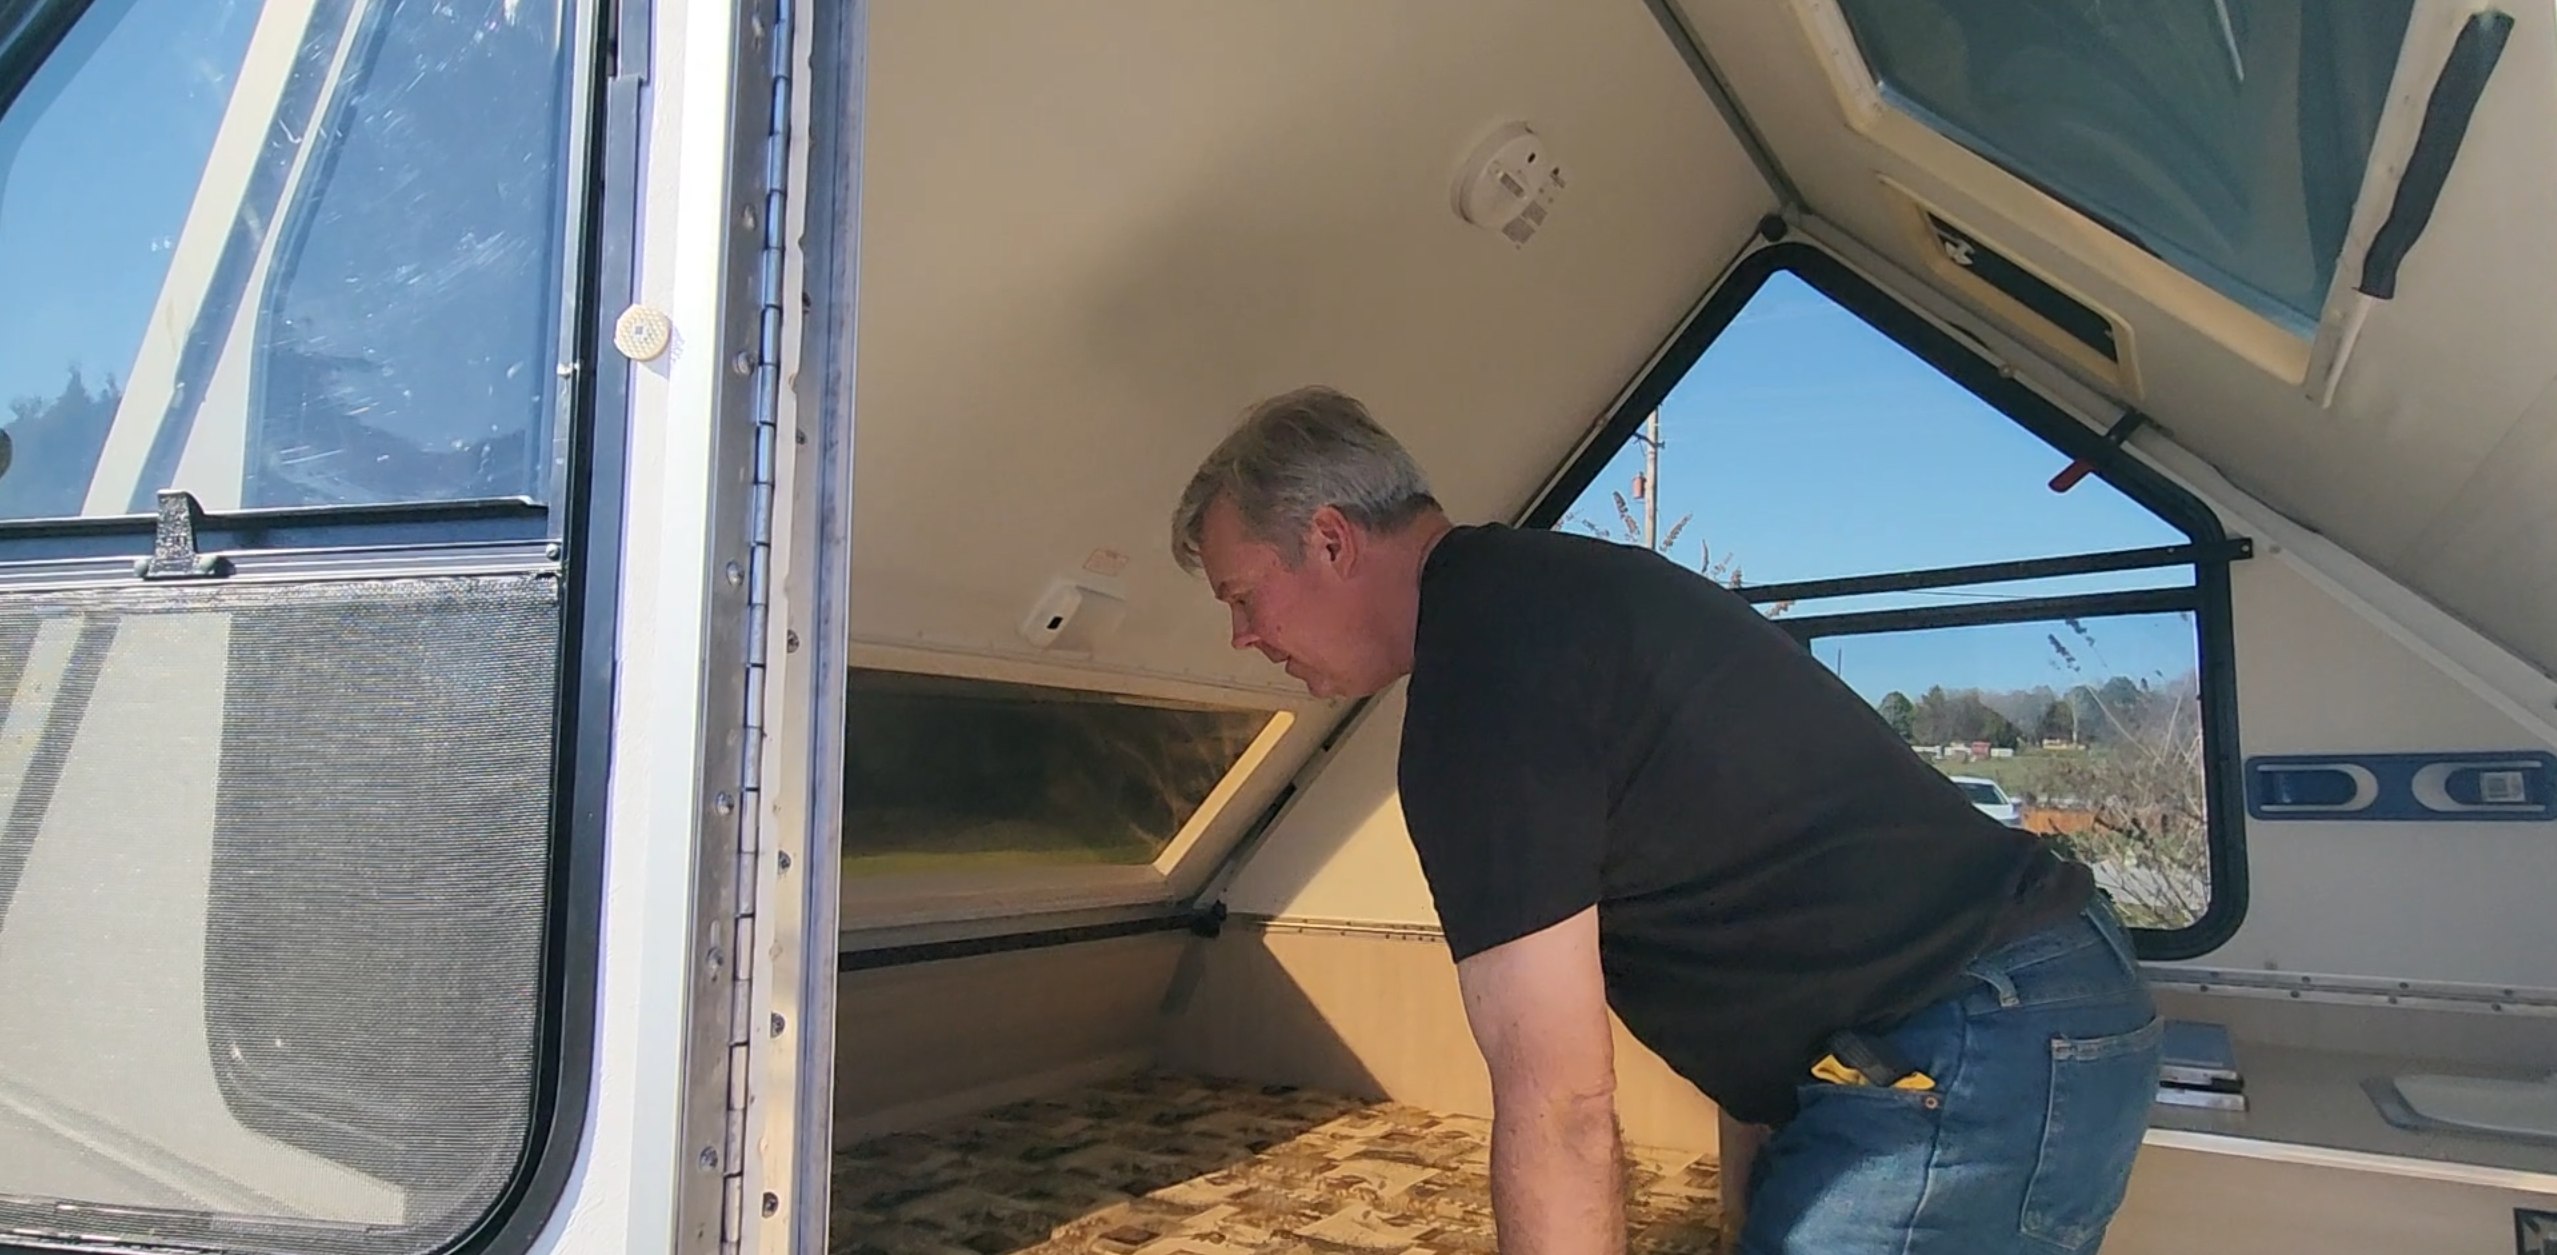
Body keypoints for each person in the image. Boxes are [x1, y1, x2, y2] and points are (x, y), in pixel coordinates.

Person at [1170, 385, 2162, 1254]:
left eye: (1242, 594)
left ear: (1333, 539)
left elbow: (1559, 1104)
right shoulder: (1550, 594)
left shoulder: (1485, 685)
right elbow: (1759, 948)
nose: (1242, 635)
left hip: (1967, 1043)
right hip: (2022, 1015)